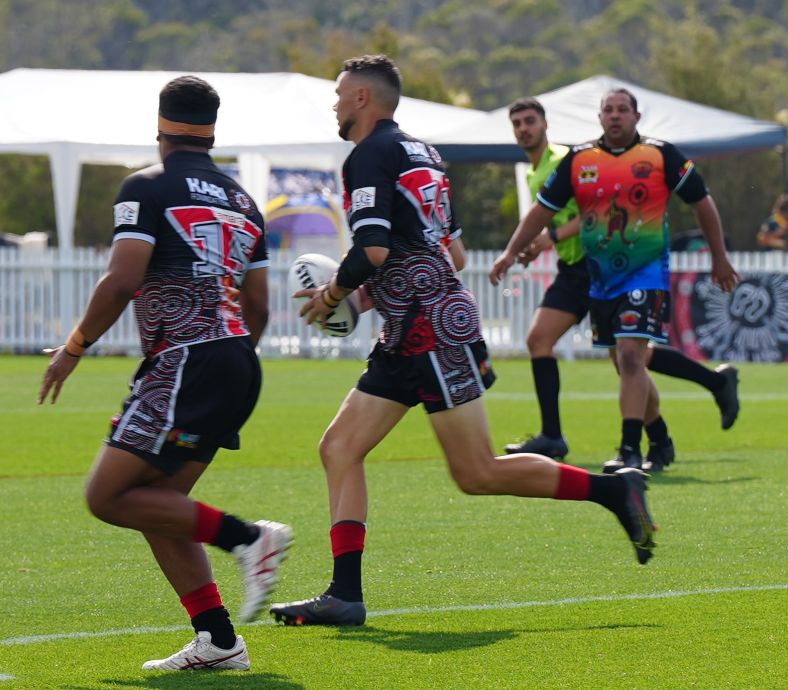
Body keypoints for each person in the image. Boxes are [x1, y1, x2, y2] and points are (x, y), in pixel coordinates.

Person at [269, 55, 657, 628]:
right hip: (416, 326)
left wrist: (333, 296)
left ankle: (613, 492)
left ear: (361, 100)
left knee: (476, 472)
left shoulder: (369, 155)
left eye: (339, 93)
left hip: (431, 330)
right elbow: (446, 254)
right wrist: (369, 299)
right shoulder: (424, 154)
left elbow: (373, 251)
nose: (333, 102)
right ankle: (344, 595)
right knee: (340, 448)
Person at [38, 76, 292, 671]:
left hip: (188, 362)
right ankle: (219, 641)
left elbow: (123, 279)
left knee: (107, 496)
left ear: (160, 127)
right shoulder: (242, 200)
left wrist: (74, 347)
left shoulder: (146, 186)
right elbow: (258, 308)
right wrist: (219, 369)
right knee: (157, 501)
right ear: (212, 130)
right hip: (231, 360)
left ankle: (247, 538)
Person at [491, 89, 740, 474]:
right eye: (608, 110)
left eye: (623, 109)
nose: (615, 115)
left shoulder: (660, 154)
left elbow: (701, 201)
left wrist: (719, 258)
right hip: (596, 277)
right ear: (600, 117)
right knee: (627, 362)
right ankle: (666, 432)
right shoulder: (578, 160)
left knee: (628, 356)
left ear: (637, 116)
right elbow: (543, 211)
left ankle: (628, 450)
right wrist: (510, 252)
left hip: (644, 274)